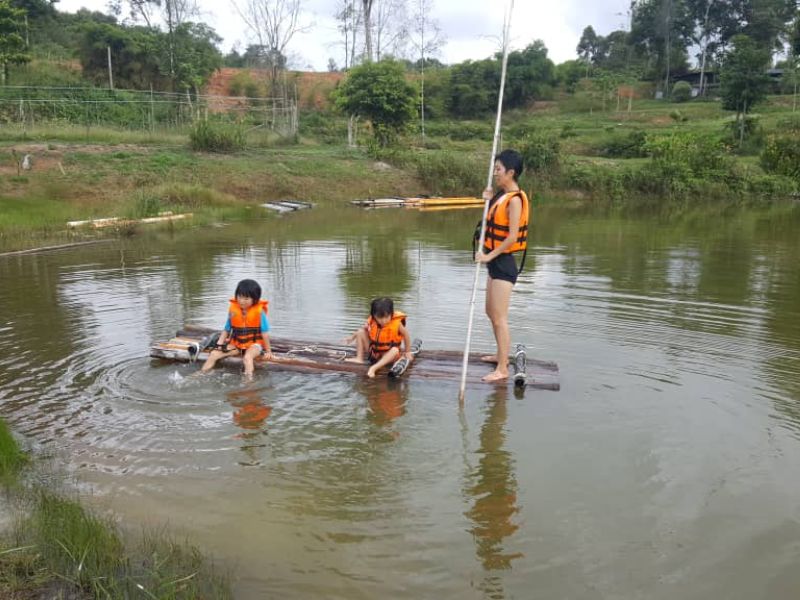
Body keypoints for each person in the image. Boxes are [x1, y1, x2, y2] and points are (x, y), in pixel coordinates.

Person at [474, 149, 530, 383]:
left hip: (504, 263)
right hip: (495, 262)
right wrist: (487, 198)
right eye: (495, 169)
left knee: (499, 317)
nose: (495, 173)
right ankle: (501, 355)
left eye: (498, 170)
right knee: (490, 312)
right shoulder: (501, 195)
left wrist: (488, 256)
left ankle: (502, 368)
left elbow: (512, 237)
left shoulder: (515, 199)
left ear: (511, 172)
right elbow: (490, 219)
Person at [201, 279, 273, 378]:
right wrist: (219, 344)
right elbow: (226, 329)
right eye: (239, 297)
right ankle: (200, 375)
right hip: (237, 344)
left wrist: (268, 351)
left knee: (247, 358)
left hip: (255, 345)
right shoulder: (233, 310)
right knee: (214, 354)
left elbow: (264, 333)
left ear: (254, 300)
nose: (241, 301)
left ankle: (248, 383)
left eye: (246, 299)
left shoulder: (260, 312)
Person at [344, 297, 414, 378]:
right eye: (380, 317)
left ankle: (374, 368)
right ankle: (359, 358)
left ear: (391, 314)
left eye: (386, 317)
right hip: (374, 354)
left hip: (388, 357)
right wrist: (352, 337)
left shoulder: (397, 324)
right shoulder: (372, 321)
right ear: (374, 315)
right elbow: (363, 330)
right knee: (360, 332)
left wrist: (407, 352)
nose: (383, 321)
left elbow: (406, 335)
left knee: (395, 350)